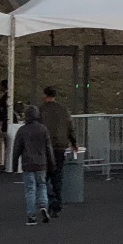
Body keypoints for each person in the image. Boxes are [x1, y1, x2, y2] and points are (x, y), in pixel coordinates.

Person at [12, 103, 55, 224]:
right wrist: (52, 163)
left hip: (27, 163)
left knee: (30, 189)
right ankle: (43, 206)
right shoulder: (43, 129)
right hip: (41, 163)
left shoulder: (22, 130)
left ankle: (31, 216)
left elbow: (17, 149)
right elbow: (48, 148)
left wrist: (14, 165)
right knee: (42, 185)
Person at [38, 86, 75, 216]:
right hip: (60, 146)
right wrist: (74, 143)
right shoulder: (63, 110)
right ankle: (57, 204)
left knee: (44, 177)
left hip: (45, 148)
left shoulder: (41, 110)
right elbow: (70, 127)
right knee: (57, 176)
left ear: (45, 95)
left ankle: (48, 200)